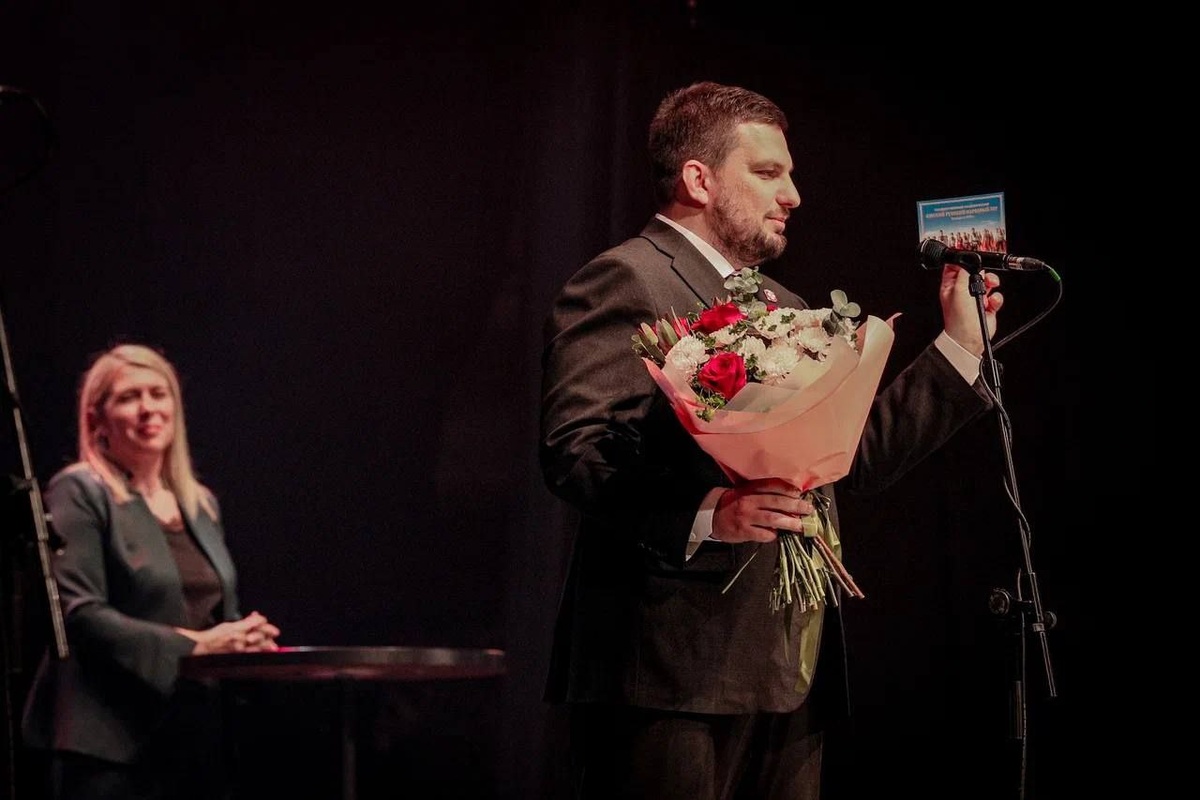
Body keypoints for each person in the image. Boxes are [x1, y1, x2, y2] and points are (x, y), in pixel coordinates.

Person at [539, 81, 1004, 800]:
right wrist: (708, 512)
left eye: (789, 174)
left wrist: (960, 346)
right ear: (699, 179)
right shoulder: (626, 278)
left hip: (790, 667)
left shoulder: (783, 304)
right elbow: (578, 448)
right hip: (670, 670)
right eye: (767, 172)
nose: (792, 195)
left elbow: (851, 458)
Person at [20, 343, 281, 800]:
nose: (148, 408)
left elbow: (216, 613)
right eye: (129, 397)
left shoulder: (200, 504)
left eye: (158, 394)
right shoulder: (80, 491)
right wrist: (196, 646)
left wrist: (243, 641)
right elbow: (79, 613)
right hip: (109, 747)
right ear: (97, 420)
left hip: (187, 740)